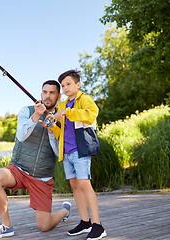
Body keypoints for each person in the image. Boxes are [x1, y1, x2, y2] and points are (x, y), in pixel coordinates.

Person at [0, 80, 71, 239]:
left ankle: (65, 210)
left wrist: (52, 129)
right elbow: (21, 136)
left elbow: (60, 154)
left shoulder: (63, 117)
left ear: (59, 96)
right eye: (45, 92)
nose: (48, 96)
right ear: (41, 94)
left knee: (44, 227)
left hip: (42, 177)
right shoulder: (26, 110)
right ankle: (6, 226)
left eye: (52, 93)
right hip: (18, 169)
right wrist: (36, 115)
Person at [50, 70, 107, 240]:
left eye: (68, 84)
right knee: (75, 186)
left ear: (77, 84)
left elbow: (91, 116)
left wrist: (68, 112)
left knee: (85, 185)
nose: (65, 88)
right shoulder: (63, 104)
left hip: (80, 151)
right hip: (66, 153)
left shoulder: (84, 100)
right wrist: (52, 126)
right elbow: (61, 133)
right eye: (63, 85)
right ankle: (85, 222)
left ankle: (98, 225)